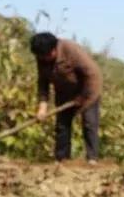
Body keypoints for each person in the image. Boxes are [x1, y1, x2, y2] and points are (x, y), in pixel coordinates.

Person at [30, 32, 103, 163]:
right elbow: (43, 83)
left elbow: (93, 74)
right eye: (41, 57)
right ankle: (62, 159)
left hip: (88, 90)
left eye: (46, 56)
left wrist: (83, 97)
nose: (44, 59)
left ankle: (92, 158)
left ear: (53, 49)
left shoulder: (71, 49)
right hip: (64, 92)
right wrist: (42, 107)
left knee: (89, 123)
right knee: (62, 126)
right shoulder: (41, 57)